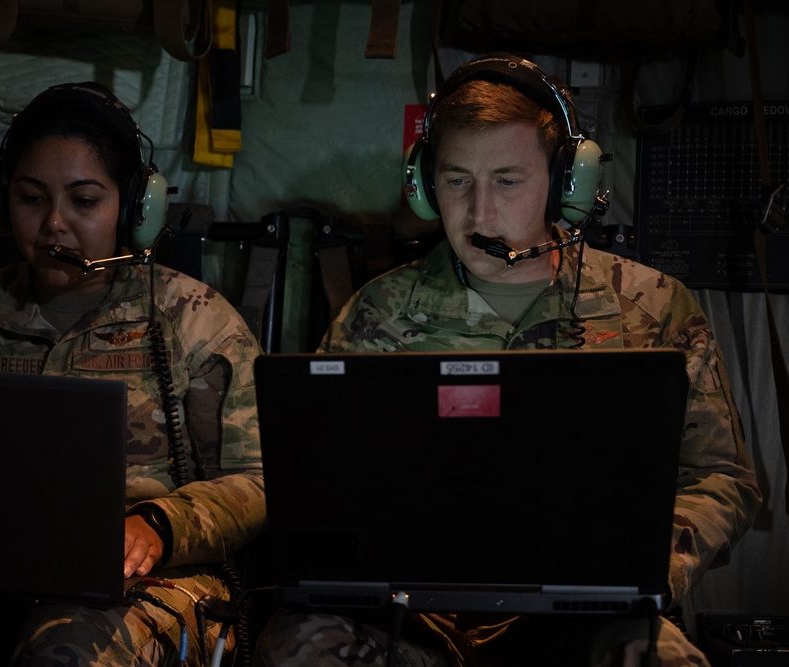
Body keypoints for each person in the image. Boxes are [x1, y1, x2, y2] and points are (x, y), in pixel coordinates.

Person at [254, 54, 762, 666]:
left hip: (585, 617)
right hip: (415, 621)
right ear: (425, 185)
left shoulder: (652, 308)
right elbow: (322, 487)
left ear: (564, 184)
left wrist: (651, 559)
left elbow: (722, 478)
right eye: (457, 180)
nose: (480, 213)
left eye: (508, 181)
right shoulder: (376, 314)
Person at [0, 82, 266, 665]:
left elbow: (261, 480)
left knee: (67, 650)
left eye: (84, 202)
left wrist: (160, 525)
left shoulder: (195, 322)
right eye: (31, 199)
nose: (54, 223)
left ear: (136, 209)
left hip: (146, 578)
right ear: (0, 202)